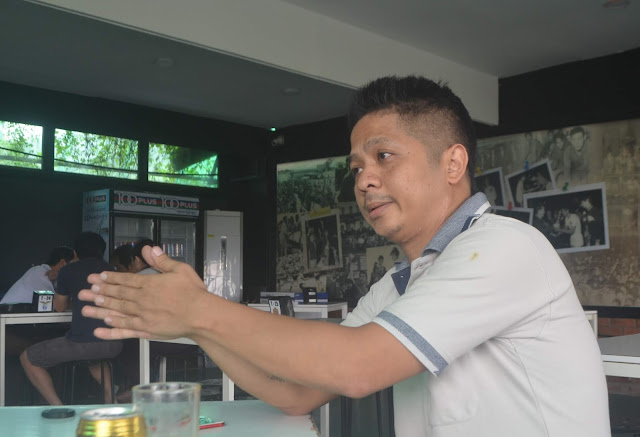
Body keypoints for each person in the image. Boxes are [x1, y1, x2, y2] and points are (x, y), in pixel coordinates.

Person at [79, 75, 609, 436]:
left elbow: (357, 366)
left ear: (453, 164)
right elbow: (296, 393)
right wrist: (195, 322)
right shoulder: (401, 283)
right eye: (356, 167)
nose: (364, 180)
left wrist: (200, 309)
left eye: (384, 156)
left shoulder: (505, 245)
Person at [20, 232, 122, 405]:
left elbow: (59, 307)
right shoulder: (113, 271)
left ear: (75, 253)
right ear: (103, 251)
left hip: (83, 343)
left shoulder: (68, 270)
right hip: (115, 344)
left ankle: (57, 407)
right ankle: (110, 398)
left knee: (27, 358)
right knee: (94, 356)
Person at [1, 246, 76, 305]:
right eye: (74, 264)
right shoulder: (39, 272)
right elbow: (58, 305)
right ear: (62, 263)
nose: (76, 268)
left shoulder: (55, 278)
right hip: (8, 317)